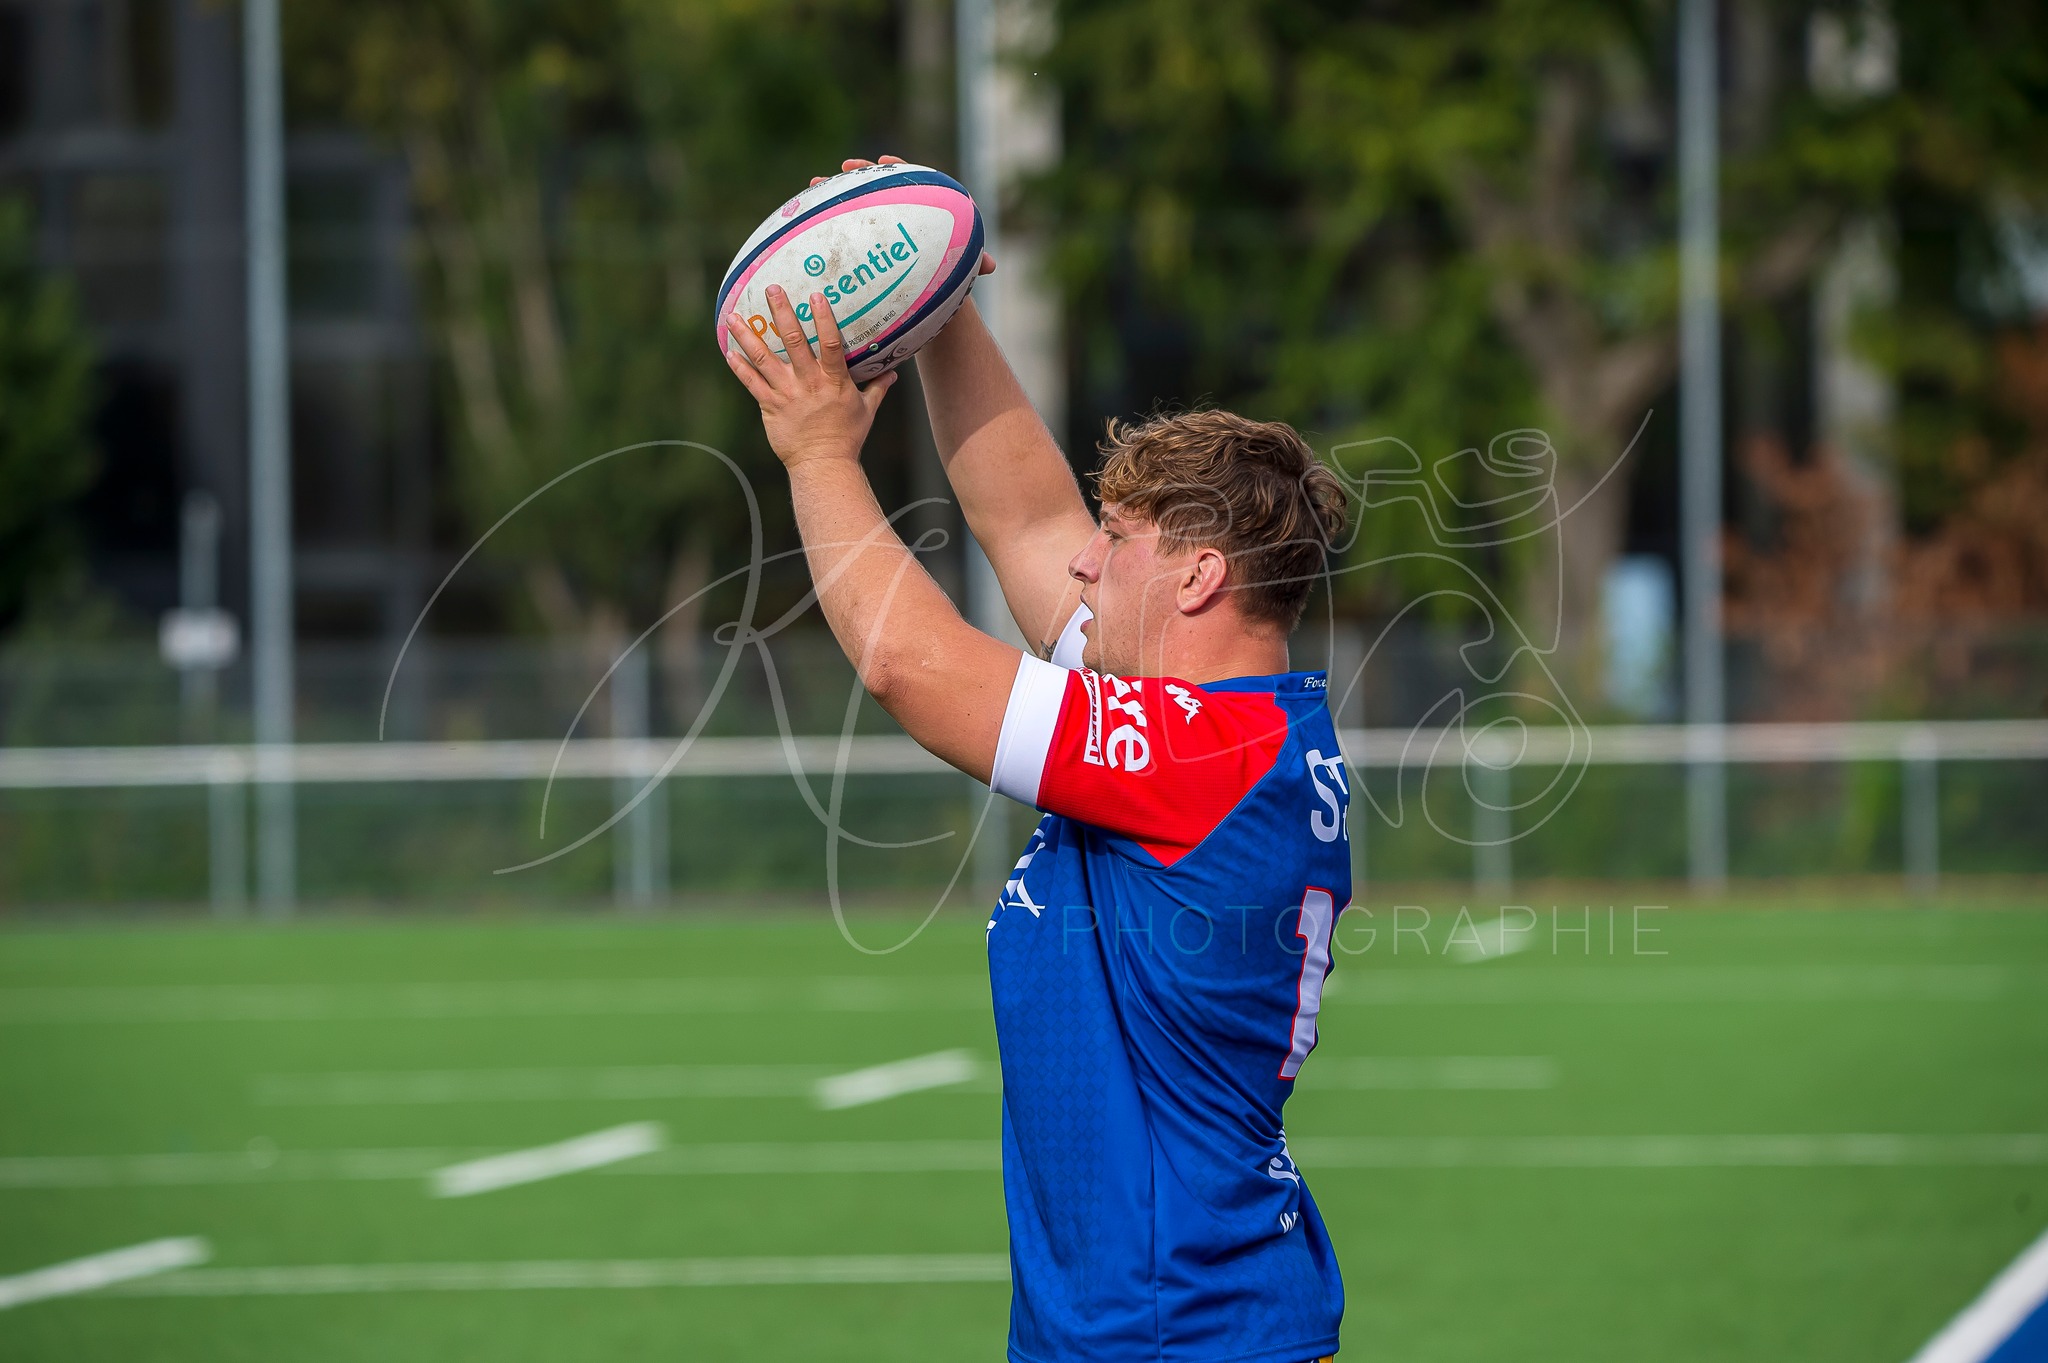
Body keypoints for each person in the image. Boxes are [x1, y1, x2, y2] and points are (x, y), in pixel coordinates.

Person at [721, 160, 1351, 1363]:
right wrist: (933, 291)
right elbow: (1021, 519)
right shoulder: (1208, 721)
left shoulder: (1197, 752)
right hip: (1141, 1327)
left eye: (1116, 543)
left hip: (1181, 1334)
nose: (1083, 563)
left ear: (1198, 578)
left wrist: (814, 454)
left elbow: (911, 664)